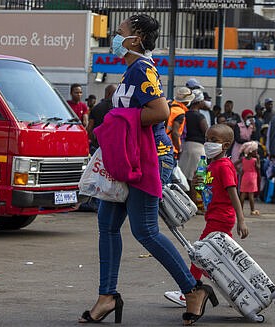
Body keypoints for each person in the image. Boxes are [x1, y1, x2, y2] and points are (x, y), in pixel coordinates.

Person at [79, 14, 217, 326]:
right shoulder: (133, 69)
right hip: (128, 156)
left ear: (136, 39)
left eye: (120, 32)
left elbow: (160, 111)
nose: (115, 37)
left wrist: (117, 122)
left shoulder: (142, 69)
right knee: (108, 225)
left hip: (148, 156)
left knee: (145, 230)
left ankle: (193, 290)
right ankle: (107, 296)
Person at [164, 124, 249, 308]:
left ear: (225, 145)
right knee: (221, 259)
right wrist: (196, 184)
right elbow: (204, 192)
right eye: (207, 139)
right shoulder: (211, 166)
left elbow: (233, 192)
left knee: (199, 254)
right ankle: (240, 291)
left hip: (221, 217)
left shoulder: (224, 166)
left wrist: (241, 219)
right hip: (213, 216)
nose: (208, 143)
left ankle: (190, 290)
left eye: (214, 140)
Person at [179, 89, 209, 203]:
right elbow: (207, 132)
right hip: (197, 148)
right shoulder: (199, 116)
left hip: (186, 146)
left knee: (186, 177)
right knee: (195, 178)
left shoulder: (185, 114)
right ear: (199, 102)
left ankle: (186, 203)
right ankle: (195, 204)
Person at [87, 84, 116, 154]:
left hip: (98, 146)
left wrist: (94, 142)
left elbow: (89, 129)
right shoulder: (119, 109)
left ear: (107, 93)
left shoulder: (96, 108)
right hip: (114, 147)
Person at [166, 87, 194, 160]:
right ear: (187, 101)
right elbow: (175, 133)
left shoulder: (168, 105)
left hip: (161, 144)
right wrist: (179, 149)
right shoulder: (179, 112)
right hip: (170, 147)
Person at [236, 141, 261, 215]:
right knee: (251, 195)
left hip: (244, 177)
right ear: (251, 152)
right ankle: (252, 210)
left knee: (243, 194)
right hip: (252, 177)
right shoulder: (254, 160)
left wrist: (239, 171)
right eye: (255, 151)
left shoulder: (243, 159)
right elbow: (258, 167)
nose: (256, 152)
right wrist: (258, 159)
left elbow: (234, 164)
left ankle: (240, 210)